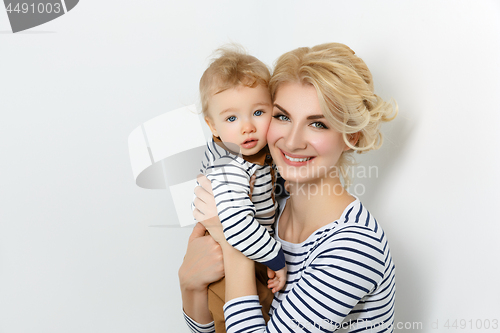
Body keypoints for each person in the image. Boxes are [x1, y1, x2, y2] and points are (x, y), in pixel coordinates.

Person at [181, 42, 397, 332]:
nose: (293, 141)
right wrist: (190, 285)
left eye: (318, 124)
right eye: (282, 117)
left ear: (351, 137)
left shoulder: (353, 246)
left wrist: (232, 244)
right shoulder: (269, 202)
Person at [192, 46, 288, 332]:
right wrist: (276, 258)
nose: (248, 127)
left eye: (258, 112)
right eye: (232, 118)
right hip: (232, 259)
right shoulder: (229, 166)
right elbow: (235, 224)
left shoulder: (254, 154)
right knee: (245, 317)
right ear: (213, 126)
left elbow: (272, 183)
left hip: (250, 249)